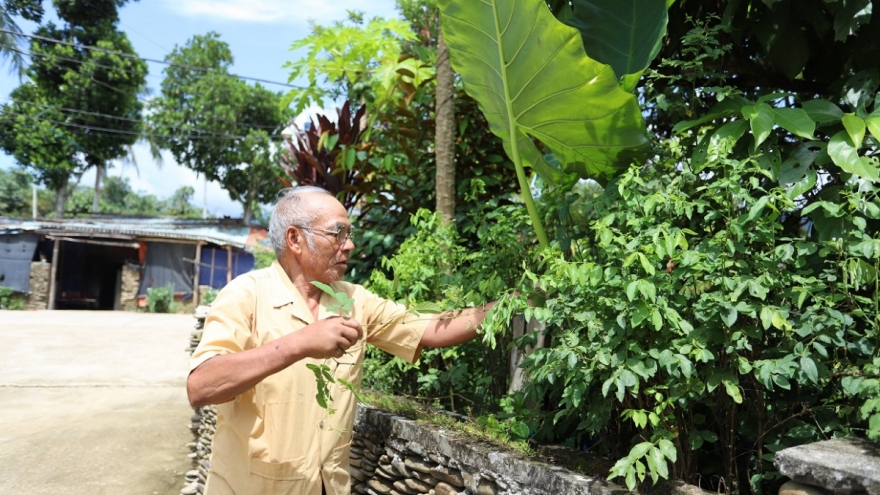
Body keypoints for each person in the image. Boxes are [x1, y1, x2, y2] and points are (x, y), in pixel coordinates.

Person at [187, 186, 496, 495]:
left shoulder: (353, 301)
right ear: (294, 239)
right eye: (337, 234)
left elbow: (428, 328)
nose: (349, 245)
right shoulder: (246, 295)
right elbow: (202, 385)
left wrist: (508, 307)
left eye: (349, 234)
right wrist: (301, 343)